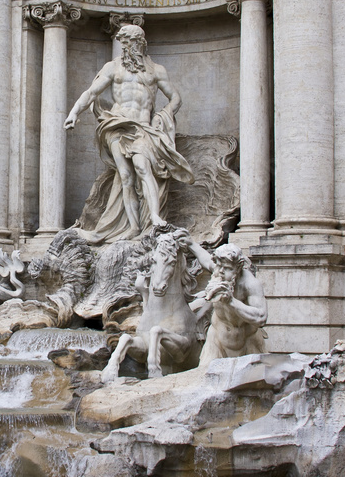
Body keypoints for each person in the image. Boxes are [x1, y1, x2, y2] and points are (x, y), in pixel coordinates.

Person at [64, 24, 194, 243]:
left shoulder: (156, 70)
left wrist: (162, 115)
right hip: (116, 124)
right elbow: (91, 92)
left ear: (140, 43)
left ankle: (154, 218)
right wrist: (74, 113)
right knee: (125, 176)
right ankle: (133, 226)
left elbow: (176, 98)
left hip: (142, 127)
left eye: (129, 43)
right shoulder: (112, 68)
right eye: (122, 43)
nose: (125, 48)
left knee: (143, 168)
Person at [184, 240, 268, 366]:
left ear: (238, 268)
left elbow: (261, 317)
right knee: (205, 378)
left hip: (248, 342)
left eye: (228, 268)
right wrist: (190, 242)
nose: (221, 271)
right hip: (217, 340)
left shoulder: (250, 284)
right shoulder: (219, 271)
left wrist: (231, 302)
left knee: (253, 382)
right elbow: (205, 259)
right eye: (219, 266)